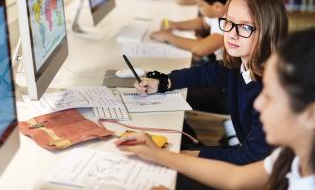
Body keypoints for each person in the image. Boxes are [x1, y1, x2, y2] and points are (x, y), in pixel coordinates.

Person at [116, 28, 315, 190]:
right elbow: (235, 178)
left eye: (270, 96)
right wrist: (157, 154)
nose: (258, 103)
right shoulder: (290, 155)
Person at [132, 0, 289, 165]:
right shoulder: (240, 64)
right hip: (245, 158)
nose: (231, 34)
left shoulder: (271, 92)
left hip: (262, 174)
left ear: (268, 32)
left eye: (245, 27)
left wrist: (186, 156)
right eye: (228, 22)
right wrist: (164, 82)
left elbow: (250, 157)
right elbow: (205, 74)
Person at [152, 0, 261, 60]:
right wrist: (175, 25)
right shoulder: (221, 12)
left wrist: (167, 37)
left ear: (217, 6)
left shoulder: (230, 27)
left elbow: (199, 49)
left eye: (200, 5)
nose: (199, 8)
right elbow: (203, 23)